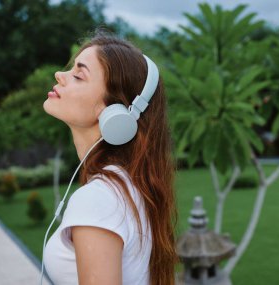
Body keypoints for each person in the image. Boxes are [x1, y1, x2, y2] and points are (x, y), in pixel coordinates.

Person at [41, 30, 178, 285]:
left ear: (115, 112)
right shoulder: (124, 187)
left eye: (78, 75)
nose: (60, 75)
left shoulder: (98, 199)